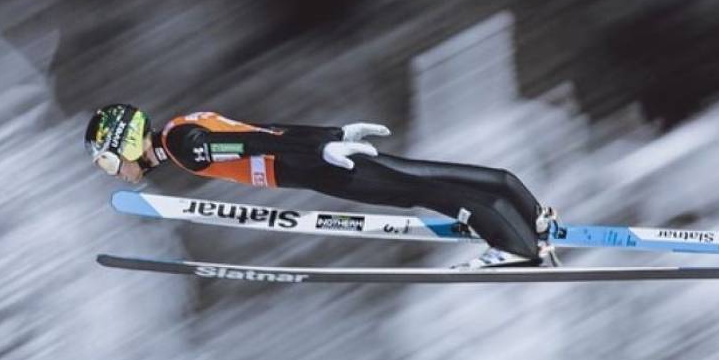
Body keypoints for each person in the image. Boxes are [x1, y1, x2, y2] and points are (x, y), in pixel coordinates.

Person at [83, 104, 558, 268]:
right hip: (311, 158)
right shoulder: (180, 131)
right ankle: (530, 216)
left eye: (107, 160)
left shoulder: (185, 146)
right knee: (420, 178)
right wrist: (331, 134)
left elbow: (253, 143)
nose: (113, 171)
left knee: (418, 188)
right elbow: (265, 131)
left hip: (312, 167)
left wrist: (322, 149)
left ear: (126, 143)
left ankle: (516, 246)